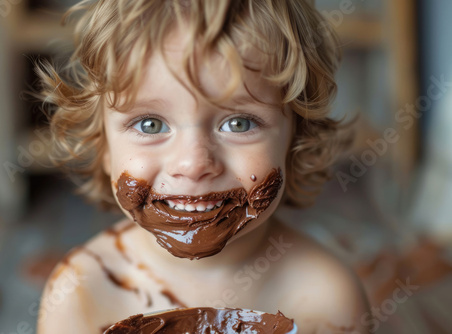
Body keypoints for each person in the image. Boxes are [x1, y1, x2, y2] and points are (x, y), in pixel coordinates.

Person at [35, 0, 370, 333]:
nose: (193, 164)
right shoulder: (80, 293)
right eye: (150, 124)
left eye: (239, 124)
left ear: (296, 141)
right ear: (104, 147)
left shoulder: (327, 298)